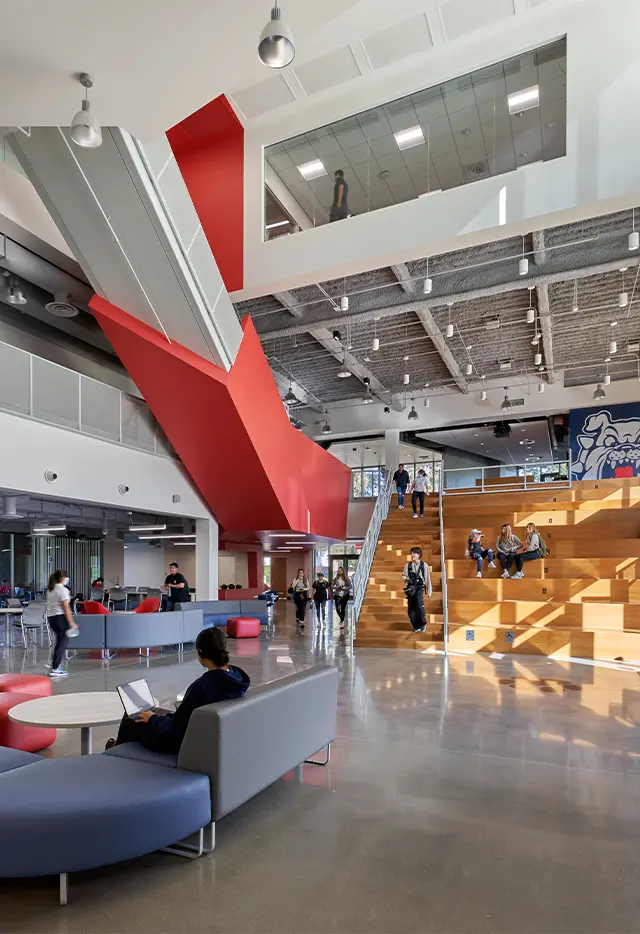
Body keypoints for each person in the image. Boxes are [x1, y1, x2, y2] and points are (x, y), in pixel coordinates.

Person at [106, 628, 250, 755]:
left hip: (175, 743)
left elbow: (174, 732)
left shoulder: (202, 687)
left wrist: (153, 719)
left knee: (131, 717)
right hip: (203, 733)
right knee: (153, 712)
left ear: (200, 653)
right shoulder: (236, 678)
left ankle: (116, 752)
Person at [45, 569, 78, 678]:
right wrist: (71, 622)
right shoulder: (63, 590)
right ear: (63, 578)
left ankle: (55, 665)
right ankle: (55, 668)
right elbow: (66, 607)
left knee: (60, 642)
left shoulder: (50, 589)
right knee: (62, 642)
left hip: (51, 618)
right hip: (59, 618)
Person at [402, 547, 432, 632]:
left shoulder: (424, 565)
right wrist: (406, 579)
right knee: (411, 609)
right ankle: (415, 625)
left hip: (419, 587)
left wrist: (429, 591)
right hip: (410, 587)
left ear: (419, 555)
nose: (412, 555)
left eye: (414, 553)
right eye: (411, 553)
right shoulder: (408, 565)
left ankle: (422, 624)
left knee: (419, 605)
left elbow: (427, 579)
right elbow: (403, 575)